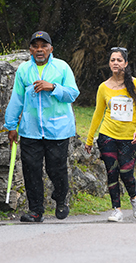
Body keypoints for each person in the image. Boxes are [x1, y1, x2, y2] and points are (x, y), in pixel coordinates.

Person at [5, 31, 80, 223]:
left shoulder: (61, 67)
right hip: (30, 129)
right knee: (31, 170)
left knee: (56, 169)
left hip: (57, 130)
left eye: (44, 46)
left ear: (51, 49)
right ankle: (36, 211)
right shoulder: (24, 70)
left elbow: (72, 94)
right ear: (30, 49)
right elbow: (17, 98)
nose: (40, 50)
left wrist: (53, 87)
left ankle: (61, 199)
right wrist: (11, 126)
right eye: (35, 46)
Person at [85, 47, 136, 222]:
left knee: (126, 173)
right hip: (107, 135)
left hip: (129, 137)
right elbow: (98, 114)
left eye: (119, 60)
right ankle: (116, 210)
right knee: (111, 172)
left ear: (125, 63)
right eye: (112, 60)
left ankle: (134, 198)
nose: (115, 63)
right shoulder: (103, 87)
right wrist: (89, 138)